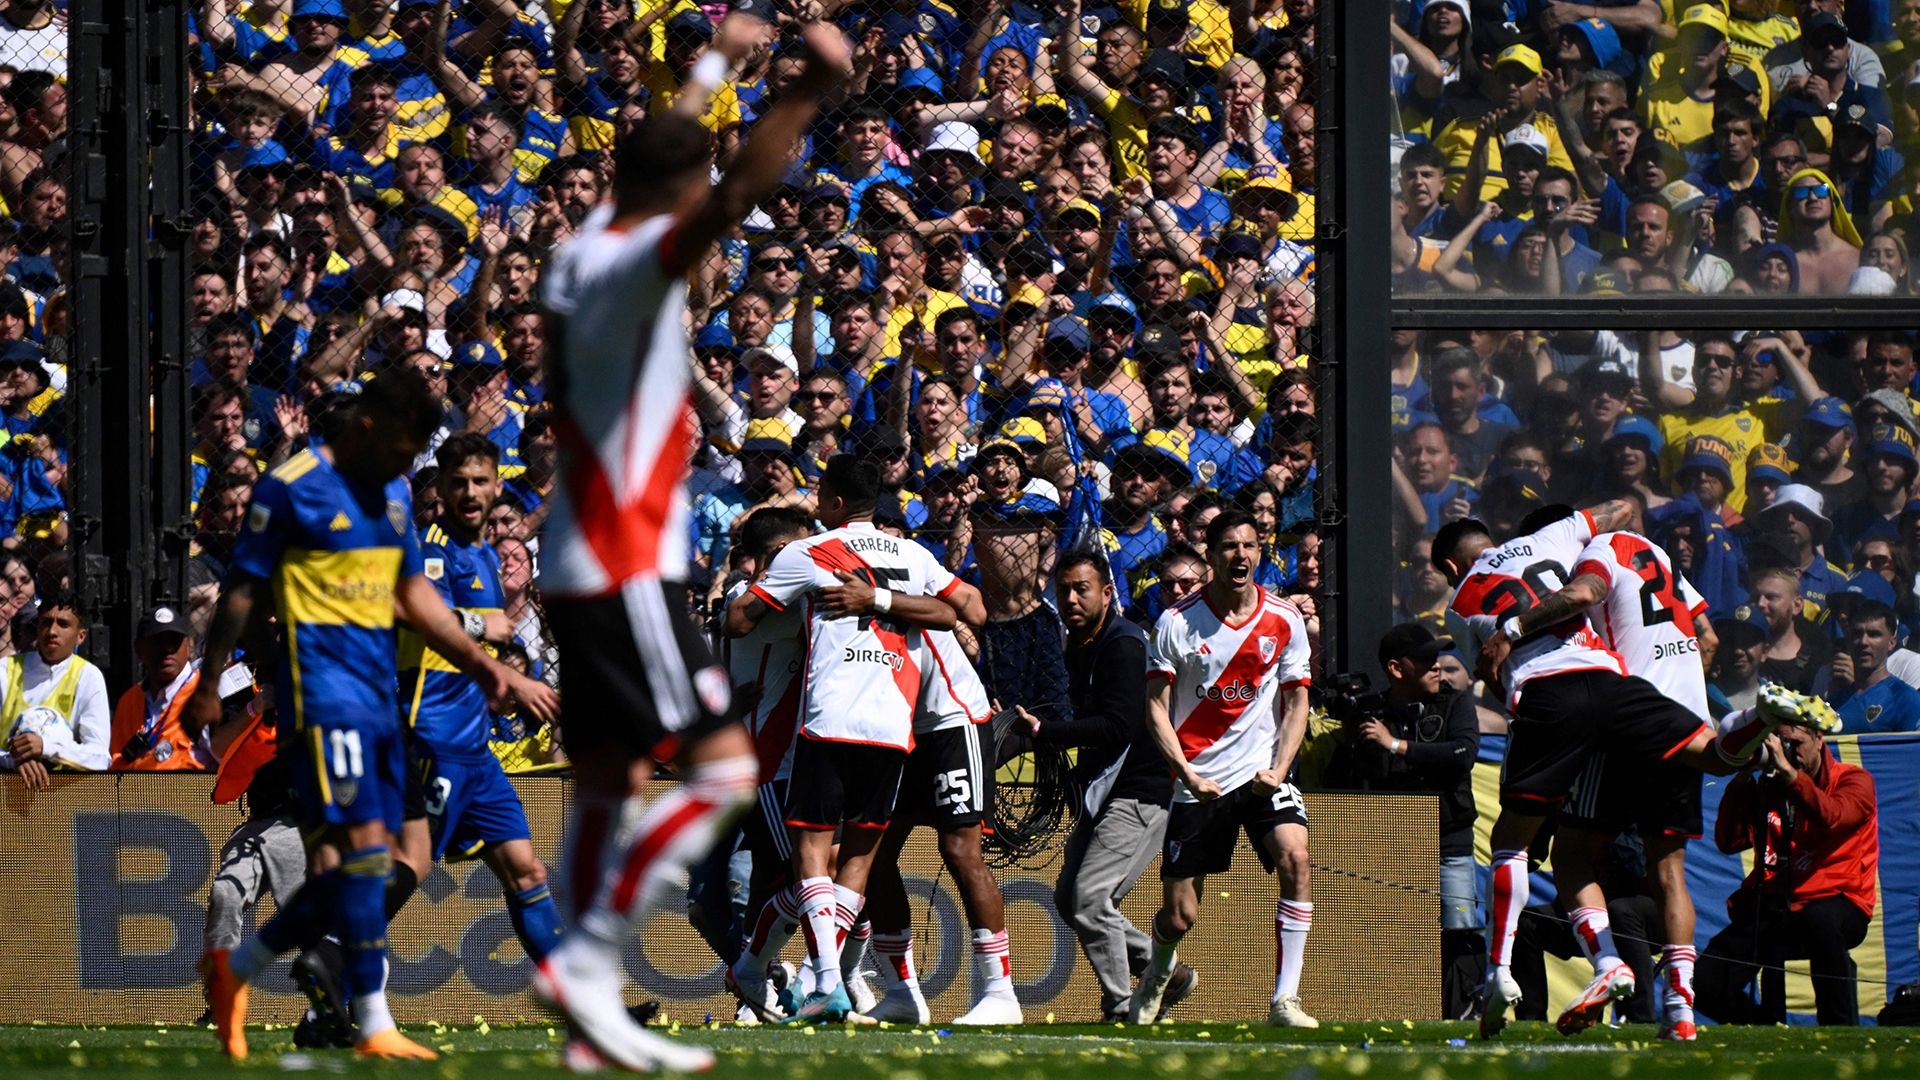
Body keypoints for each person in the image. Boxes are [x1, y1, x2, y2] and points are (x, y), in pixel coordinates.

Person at [531, 17, 848, 1070]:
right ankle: (586, 958)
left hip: (577, 552)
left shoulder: (581, 247)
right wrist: (806, 94)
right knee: (717, 770)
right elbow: (734, 192)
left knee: (607, 783)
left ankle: (589, 1022)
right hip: (628, 561)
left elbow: (666, 153)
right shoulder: (633, 260)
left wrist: (717, 65)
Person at [188, 369, 557, 1062]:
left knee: (402, 857)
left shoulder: (388, 493)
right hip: (324, 698)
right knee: (359, 857)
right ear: (367, 428)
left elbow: (409, 591)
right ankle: (369, 1018)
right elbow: (241, 588)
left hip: (380, 700)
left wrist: (485, 666)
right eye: (402, 446)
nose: (406, 465)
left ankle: (238, 970)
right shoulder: (290, 486)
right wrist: (210, 681)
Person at [1436, 499, 1829, 1041]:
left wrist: (1514, 629)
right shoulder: (1657, 554)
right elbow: (1708, 638)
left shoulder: (1591, 555)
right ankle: (1682, 1010)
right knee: (1675, 858)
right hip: (1677, 710)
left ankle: (1599, 964)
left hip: (1614, 712)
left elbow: (1583, 597)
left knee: (1572, 856)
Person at [724, 454, 979, 1024]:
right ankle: (795, 976)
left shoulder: (807, 552)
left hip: (829, 717)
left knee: (811, 857)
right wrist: (889, 602)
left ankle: (826, 982)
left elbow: (738, 620)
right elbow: (971, 608)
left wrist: (770, 594)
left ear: (834, 501)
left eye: (819, 494)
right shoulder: (914, 554)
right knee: (856, 862)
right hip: (893, 726)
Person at [1129, 510, 1318, 1028]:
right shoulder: (1176, 622)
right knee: (1180, 916)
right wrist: (1187, 775)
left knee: (1296, 860)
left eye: (1250, 546)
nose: (1241, 555)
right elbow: (1155, 708)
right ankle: (1158, 973)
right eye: (1229, 547)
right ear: (1211, 556)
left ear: (1261, 552)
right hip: (1200, 783)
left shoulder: (1284, 618)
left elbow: (1298, 702)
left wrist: (1280, 769)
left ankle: (1285, 1001)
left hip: (1261, 777)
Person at [401, 433, 565, 967]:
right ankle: (330, 965)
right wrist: (499, 656)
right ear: (443, 490)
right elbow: (412, 616)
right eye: (458, 483)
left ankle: (581, 1006)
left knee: (528, 871)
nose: (470, 492)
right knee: (408, 867)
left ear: (498, 486)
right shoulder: (431, 549)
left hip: (476, 746)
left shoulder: (483, 556)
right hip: (433, 732)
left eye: (480, 481)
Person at [1032, 549, 1180, 1023]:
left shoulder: (1123, 644)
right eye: (1064, 590)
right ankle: (1166, 971)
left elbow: (1118, 726)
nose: (1072, 599)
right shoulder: (1075, 643)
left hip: (1142, 790)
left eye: (1082, 589)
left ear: (1107, 594)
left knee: (1091, 899)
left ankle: (1122, 1005)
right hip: (1107, 791)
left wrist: (1044, 732)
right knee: (1068, 897)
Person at [1696, 722, 1880, 1027]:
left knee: (1819, 920)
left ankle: (1840, 1031)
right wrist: (1743, 776)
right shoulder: (1769, 786)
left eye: (1795, 743)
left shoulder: (1854, 779)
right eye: (1780, 745)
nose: (1789, 753)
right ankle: (1761, 1026)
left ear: (1819, 738)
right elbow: (1730, 842)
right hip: (1776, 905)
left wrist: (1792, 777)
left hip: (1840, 900)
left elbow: (1833, 817)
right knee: (1704, 982)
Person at [1351, 623, 1481, 1020]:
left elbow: (1462, 754)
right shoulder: (1371, 712)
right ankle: (1392, 1009)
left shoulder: (1456, 704)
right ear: (1396, 668)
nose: (1436, 667)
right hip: (1390, 842)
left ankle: (1464, 1012)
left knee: (1459, 928)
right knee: (1390, 935)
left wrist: (1397, 745)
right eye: (1425, 660)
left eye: (1437, 658)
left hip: (1448, 838)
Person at [0, 589, 112, 790]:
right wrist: (14, 760)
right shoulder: (5, 670)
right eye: (45, 622)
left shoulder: (88, 677)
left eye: (63, 624)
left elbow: (100, 758)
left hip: (63, 797)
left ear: (81, 636)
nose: (52, 631)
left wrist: (46, 748)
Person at [108, 605, 212, 771]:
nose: (167, 649)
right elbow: (115, 762)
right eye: (158, 641)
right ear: (139, 650)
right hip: (132, 793)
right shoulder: (129, 701)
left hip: (190, 794)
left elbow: (229, 765)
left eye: (174, 641)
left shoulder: (205, 695)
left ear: (188, 647)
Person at [1827, 600, 1920, 733]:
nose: (1864, 642)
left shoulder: (1906, 700)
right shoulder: (1835, 701)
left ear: (1892, 643)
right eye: (1857, 633)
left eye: (1874, 634)